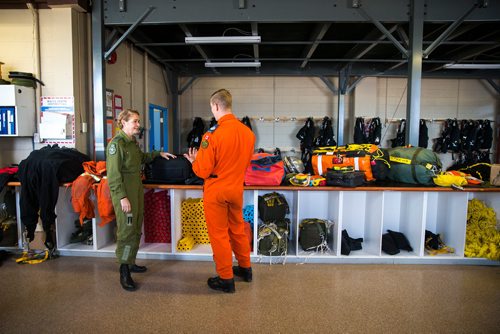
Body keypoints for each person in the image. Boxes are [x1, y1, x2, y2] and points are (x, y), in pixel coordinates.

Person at [184, 89, 255, 293]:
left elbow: (204, 170)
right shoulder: (247, 133)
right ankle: (245, 269)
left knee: (219, 235)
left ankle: (226, 278)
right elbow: (245, 162)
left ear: (215, 106)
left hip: (216, 190)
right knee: (237, 229)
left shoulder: (212, 135)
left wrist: (194, 162)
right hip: (236, 190)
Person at [107, 109, 176, 291]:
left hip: (136, 191)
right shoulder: (117, 144)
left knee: (136, 228)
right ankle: (124, 270)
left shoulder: (132, 143)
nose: (138, 125)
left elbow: (141, 158)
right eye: (135, 121)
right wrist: (122, 197)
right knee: (127, 231)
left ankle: (130, 261)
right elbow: (113, 176)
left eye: (138, 121)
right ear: (123, 122)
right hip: (125, 195)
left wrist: (157, 154)